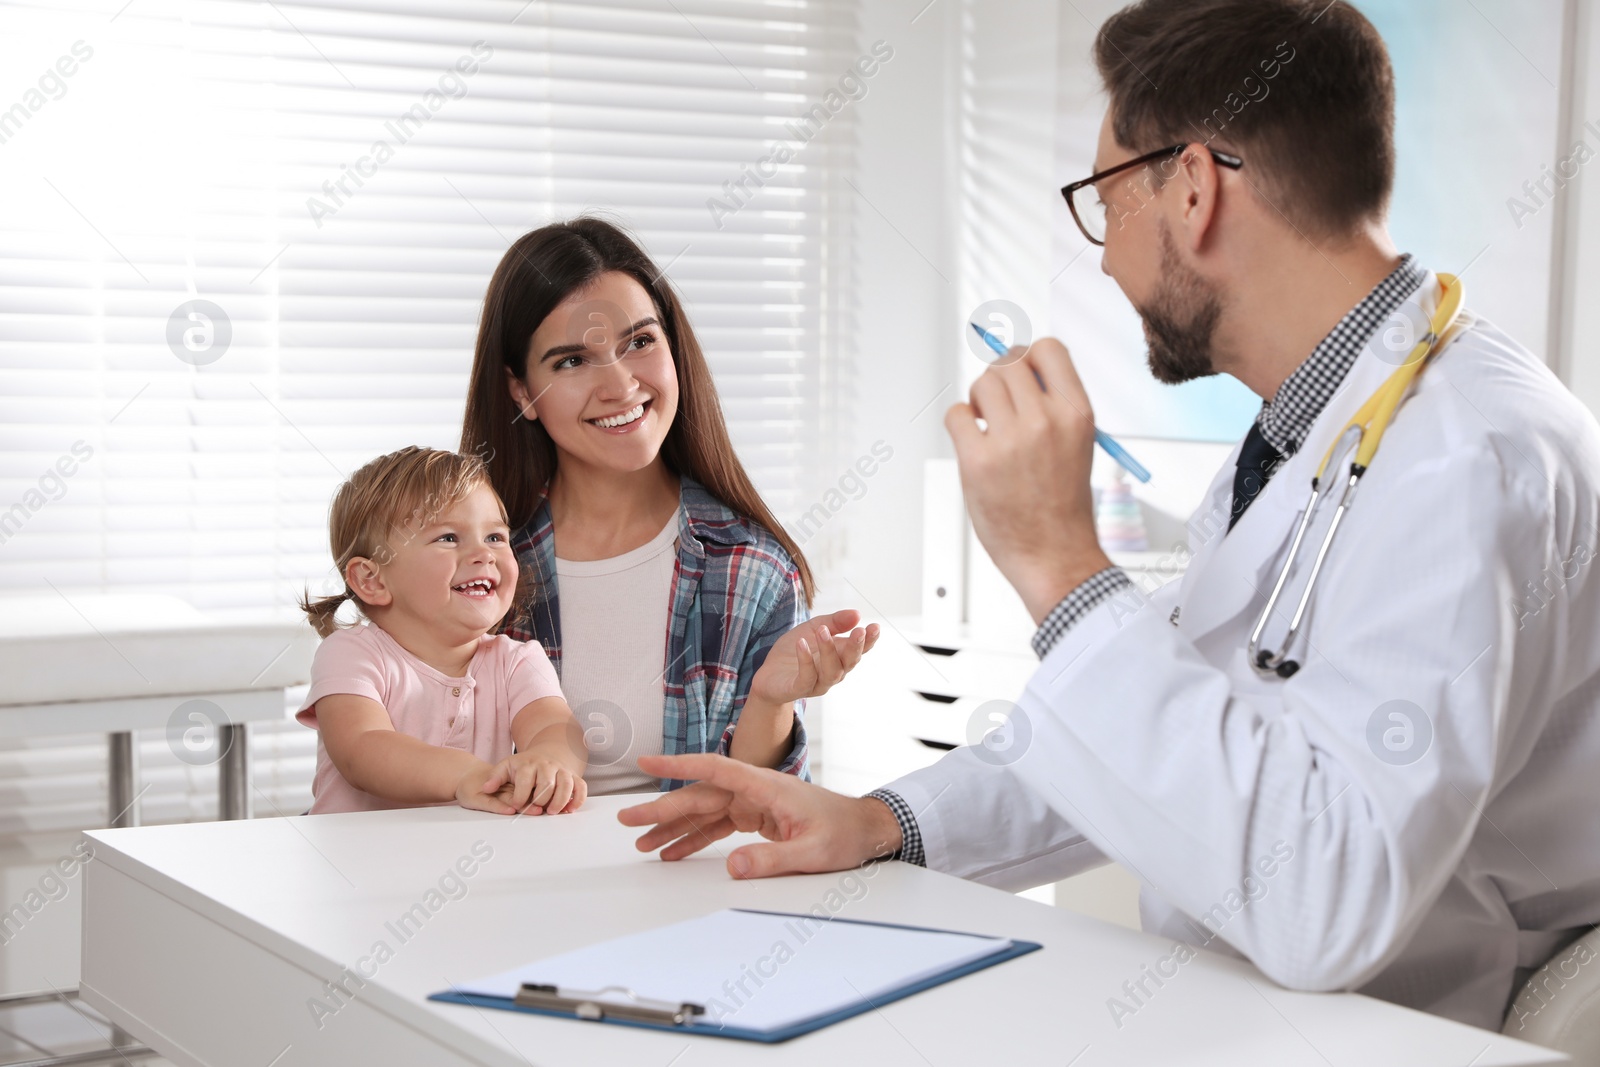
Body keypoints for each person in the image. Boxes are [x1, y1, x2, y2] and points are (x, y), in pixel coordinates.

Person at [617, 0, 1600, 1032]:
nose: (1099, 259)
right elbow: (1162, 730)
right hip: (1246, 1011)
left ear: (1190, 187)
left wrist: (1058, 565)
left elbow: (1325, 897)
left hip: (1404, 1031)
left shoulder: (1469, 458)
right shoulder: (1314, 427)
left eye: (1102, 199)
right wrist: (882, 821)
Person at [460, 217, 878, 795]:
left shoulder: (751, 568)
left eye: (639, 342)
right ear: (522, 393)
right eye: (571, 362)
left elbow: (760, 816)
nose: (620, 387)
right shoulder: (470, 569)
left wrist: (771, 701)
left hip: (685, 884)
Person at [297, 446, 587, 816]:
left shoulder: (516, 660)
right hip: (356, 864)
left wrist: (546, 765)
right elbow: (361, 749)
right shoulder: (350, 653)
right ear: (371, 579)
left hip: (459, 859)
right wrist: (469, 775)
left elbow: (556, 727)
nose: (484, 554)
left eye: (495, 537)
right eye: (448, 537)